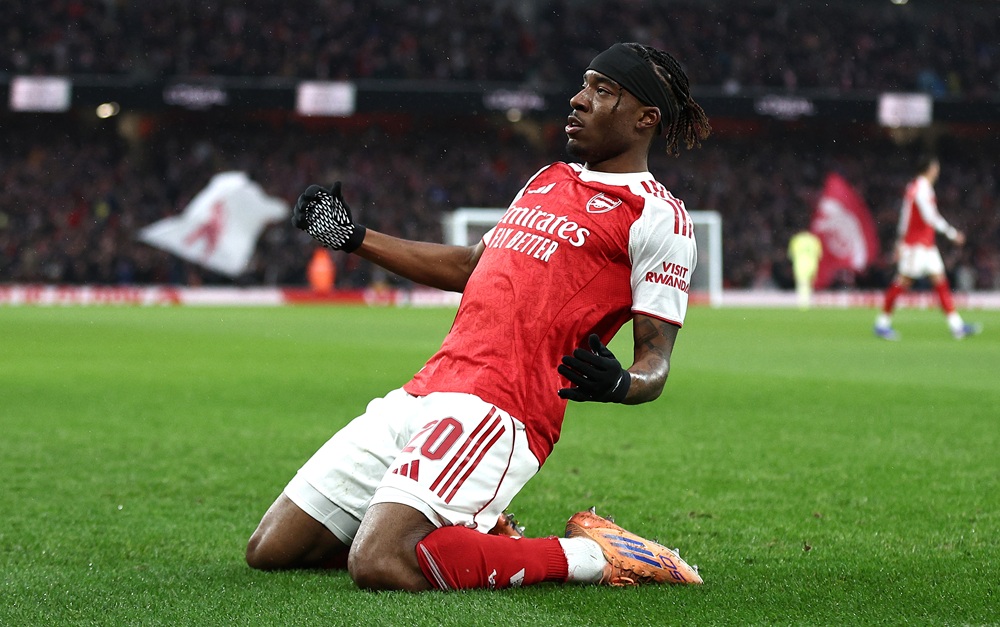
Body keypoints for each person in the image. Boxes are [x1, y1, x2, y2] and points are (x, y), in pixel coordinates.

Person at [246, 42, 712, 591]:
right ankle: (469, 535)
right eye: (584, 84)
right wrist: (354, 237)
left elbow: (655, 365)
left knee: (380, 562)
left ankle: (594, 555)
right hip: (426, 388)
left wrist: (619, 383)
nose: (578, 99)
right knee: (271, 549)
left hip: (501, 408)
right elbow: (471, 265)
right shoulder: (547, 179)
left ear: (645, 118)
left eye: (602, 90)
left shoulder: (658, 217)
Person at [874, 154, 980, 341]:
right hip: (916, 246)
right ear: (930, 169)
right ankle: (882, 324)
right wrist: (952, 233)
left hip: (926, 245)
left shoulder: (916, 187)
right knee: (903, 282)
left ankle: (956, 326)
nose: (937, 171)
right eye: (936, 167)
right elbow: (930, 217)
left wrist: (899, 241)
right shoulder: (922, 189)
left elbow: (906, 217)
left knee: (940, 281)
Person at [787, 229, 822, 309]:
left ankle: (803, 302)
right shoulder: (814, 240)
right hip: (812, 264)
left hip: (800, 264)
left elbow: (790, 254)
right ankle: (809, 300)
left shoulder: (796, 239)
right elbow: (819, 254)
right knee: (809, 283)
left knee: (802, 283)